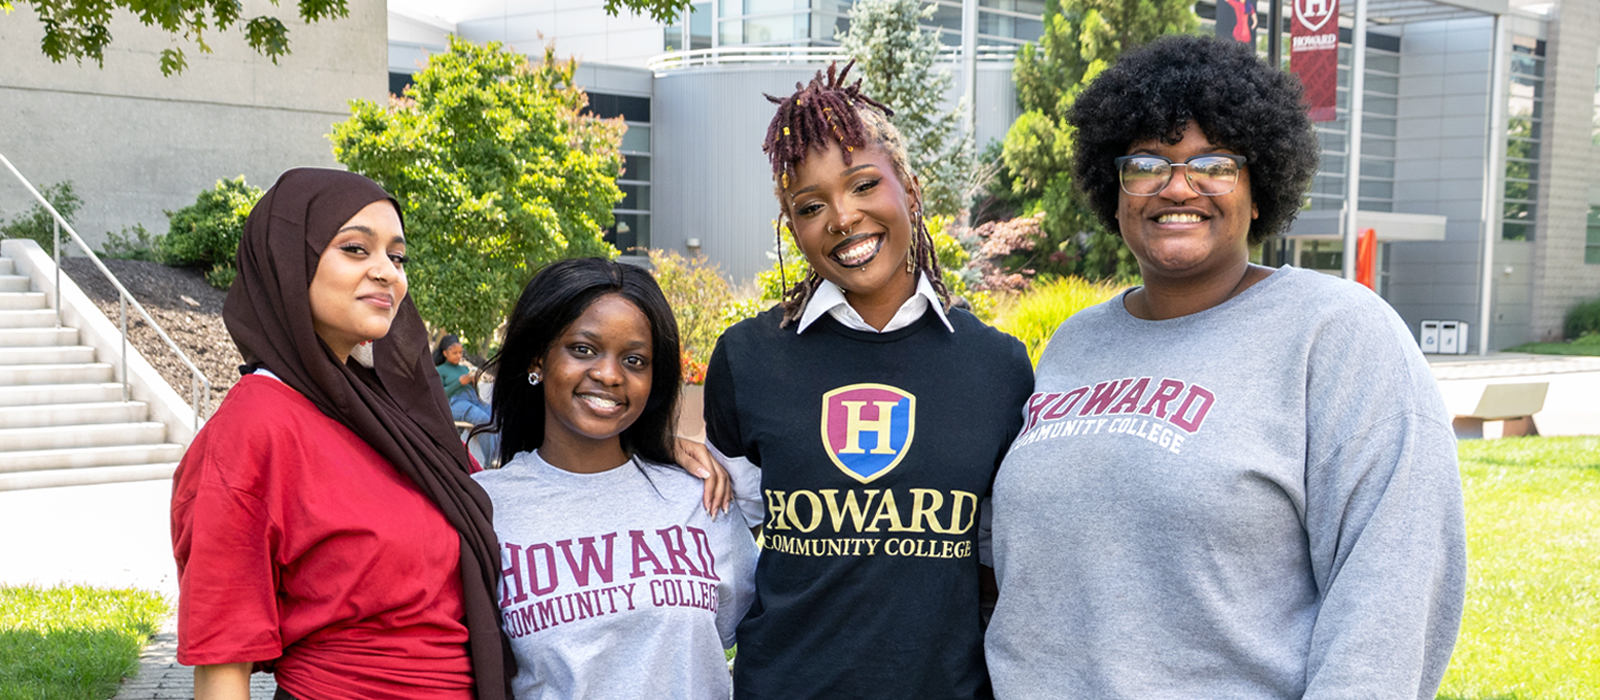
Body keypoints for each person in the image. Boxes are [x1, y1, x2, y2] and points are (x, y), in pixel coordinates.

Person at [985, 35, 1467, 699]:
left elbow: (1392, 590)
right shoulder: (1076, 343)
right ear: (1114, 189)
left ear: (1260, 185)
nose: (1177, 187)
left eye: (1214, 164)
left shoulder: (1336, 332)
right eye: (1147, 164)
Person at [704, 63, 1034, 699]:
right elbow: (724, 553)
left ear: (907, 187)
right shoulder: (747, 358)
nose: (842, 216)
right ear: (792, 226)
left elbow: (1001, 569)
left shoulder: (999, 368)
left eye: (862, 185)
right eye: (809, 205)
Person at [170, 168, 513, 700]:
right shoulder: (255, 424)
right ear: (289, 263)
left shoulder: (387, 414)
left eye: (397, 257)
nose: (387, 274)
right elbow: (222, 660)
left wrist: (657, 453)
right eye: (356, 249)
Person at [470, 257, 756, 699]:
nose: (609, 375)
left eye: (635, 360)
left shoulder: (699, 497)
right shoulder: (483, 509)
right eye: (583, 349)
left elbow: (756, 637)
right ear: (538, 359)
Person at [436, 333, 501, 462]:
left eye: (460, 352)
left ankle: (500, 457)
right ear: (445, 353)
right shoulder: (439, 370)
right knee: (482, 419)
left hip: (472, 399)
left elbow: (473, 391)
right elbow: (439, 395)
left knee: (497, 417)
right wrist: (460, 382)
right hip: (454, 403)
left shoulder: (464, 368)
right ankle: (491, 461)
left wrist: (474, 382)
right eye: (455, 353)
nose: (459, 356)